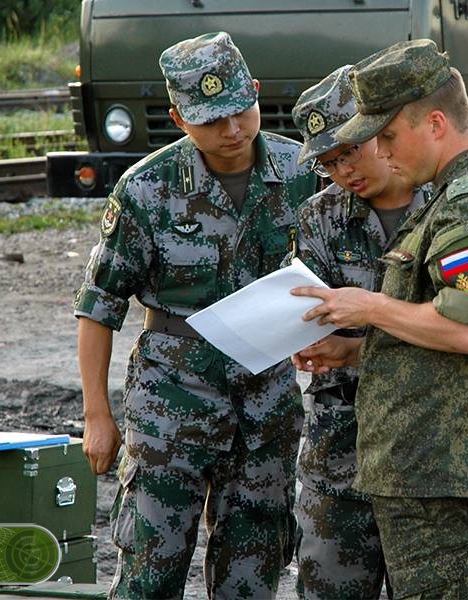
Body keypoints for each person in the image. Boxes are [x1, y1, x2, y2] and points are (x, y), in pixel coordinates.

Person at [291, 40, 468, 598]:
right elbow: (441, 335)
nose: (380, 151)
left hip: (440, 474)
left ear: (433, 123)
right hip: (428, 470)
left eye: (386, 136)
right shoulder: (455, 196)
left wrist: (368, 305)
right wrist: (357, 350)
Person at [73, 31, 317, 599]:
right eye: (212, 120)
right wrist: (96, 415)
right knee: (150, 570)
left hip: (266, 404)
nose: (232, 131)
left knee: (253, 570)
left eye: (240, 110)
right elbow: (98, 308)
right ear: (180, 117)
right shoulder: (147, 189)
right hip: (171, 405)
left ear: (255, 93)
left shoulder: (302, 171)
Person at [288, 65, 429, 599]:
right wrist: (311, 347)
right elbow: (313, 313)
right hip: (339, 444)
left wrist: (356, 348)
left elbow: (458, 328)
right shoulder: (318, 217)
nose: (344, 170)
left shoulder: (445, 201)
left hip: (428, 441)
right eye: (329, 163)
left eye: (352, 150)